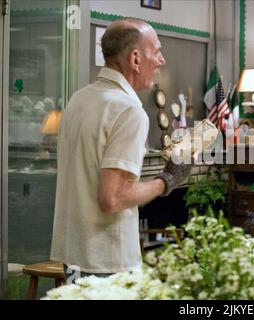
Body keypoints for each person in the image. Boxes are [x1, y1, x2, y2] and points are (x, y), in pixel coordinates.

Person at [50, 18, 191, 282]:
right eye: (157, 52)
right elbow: (112, 198)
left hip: (72, 254)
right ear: (136, 59)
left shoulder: (79, 99)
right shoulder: (129, 110)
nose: (161, 60)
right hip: (107, 262)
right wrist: (167, 180)